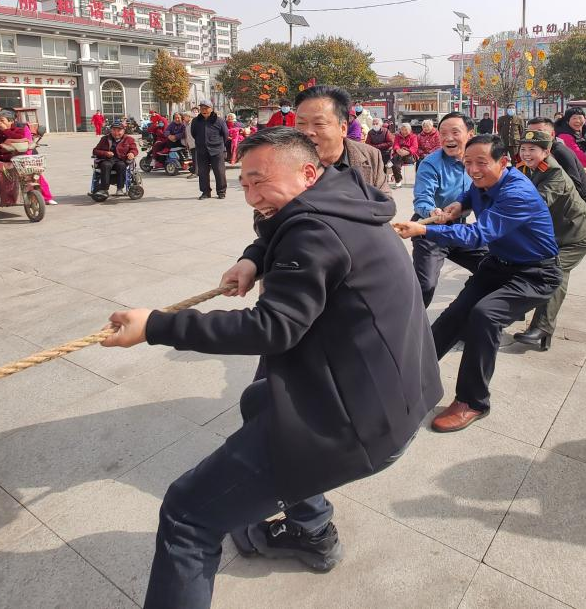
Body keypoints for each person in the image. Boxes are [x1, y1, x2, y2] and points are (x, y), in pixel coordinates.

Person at [101, 128, 439, 608]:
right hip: (393, 398)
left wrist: (157, 325)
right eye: (244, 186)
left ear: (307, 170)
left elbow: (272, 328)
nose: (252, 197)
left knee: (187, 514)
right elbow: (282, 230)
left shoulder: (315, 231)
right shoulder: (348, 196)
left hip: (354, 425)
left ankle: (306, 524)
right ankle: (312, 530)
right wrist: (254, 259)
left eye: (260, 182)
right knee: (258, 402)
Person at [393, 134, 560, 432]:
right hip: (498, 265)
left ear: (504, 162)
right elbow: (471, 195)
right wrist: (458, 205)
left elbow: (476, 235)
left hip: (535, 273)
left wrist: (422, 230)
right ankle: (411, 377)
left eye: (481, 162)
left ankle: (473, 401)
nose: (473, 169)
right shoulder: (482, 182)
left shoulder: (517, 193)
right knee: (455, 315)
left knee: (485, 315)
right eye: (468, 162)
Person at [512, 129, 586, 350]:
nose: (526, 154)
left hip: (576, 234)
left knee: (554, 271)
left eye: (532, 150)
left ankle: (543, 327)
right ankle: (514, 311)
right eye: (523, 149)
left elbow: (537, 203)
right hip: (553, 235)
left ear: (546, 151)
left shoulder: (554, 172)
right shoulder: (525, 169)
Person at [409, 112, 486, 306]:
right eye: (443, 133)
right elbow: (422, 199)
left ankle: (467, 316)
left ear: (470, 134)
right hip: (429, 230)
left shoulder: (480, 162)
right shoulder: (430, 164)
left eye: (454, 132)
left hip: (460, 229)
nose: (448, 138)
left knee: (494, 266)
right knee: (424, 286)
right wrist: (434, 213)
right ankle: (407, 332)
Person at [295, 86, 387, 190]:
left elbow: (385, 203)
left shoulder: (371, 156)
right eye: (301, 123)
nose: (307, 132)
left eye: (318, 123)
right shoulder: (282, 160)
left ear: (343, 129)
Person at [527, 116, 586, 215]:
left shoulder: (560, 152)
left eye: (540, 132)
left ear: (552, 134)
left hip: (579, 211)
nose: (535, 137)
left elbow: (575, 184)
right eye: (531, 133)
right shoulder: (537, 153)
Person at [191, 100, 230, 199]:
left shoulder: (219, 120)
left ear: (211, 109)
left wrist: (218, 145)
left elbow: (225, 134)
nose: (204, 110)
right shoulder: (196, 121)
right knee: (203, 172)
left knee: (219, 171)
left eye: (206, 108)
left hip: (216, 150)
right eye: (202, 108)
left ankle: (221, 192)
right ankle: (205, 192)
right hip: (201, 150)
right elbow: (193, 134)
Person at [91, 121, 138, 197]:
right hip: (107, 160)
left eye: (119, 130)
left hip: (121, 160)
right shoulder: (105, 139)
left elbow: (134, 149)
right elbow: (95, 151)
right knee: (105, 165)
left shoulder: (129, 139)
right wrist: (106, 153)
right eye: (114, 130)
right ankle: (104, 190)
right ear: (111, 130)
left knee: (121, 165)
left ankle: (120, 189)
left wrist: (132, 153)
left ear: (123, 131)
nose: (116, 133)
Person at [391, 122, 419, 188]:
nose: (404, 132)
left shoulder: (413, 136)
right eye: (402, 130)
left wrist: (407, 151)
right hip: (399, 155)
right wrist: (398, 150)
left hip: (410, 157)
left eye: (406, 130)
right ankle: (398, 181)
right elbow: (396, 145)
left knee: (395, 160)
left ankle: (391, 162)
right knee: (396, 163)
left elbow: (414, 147)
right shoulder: (397, 136)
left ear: (410, 130)